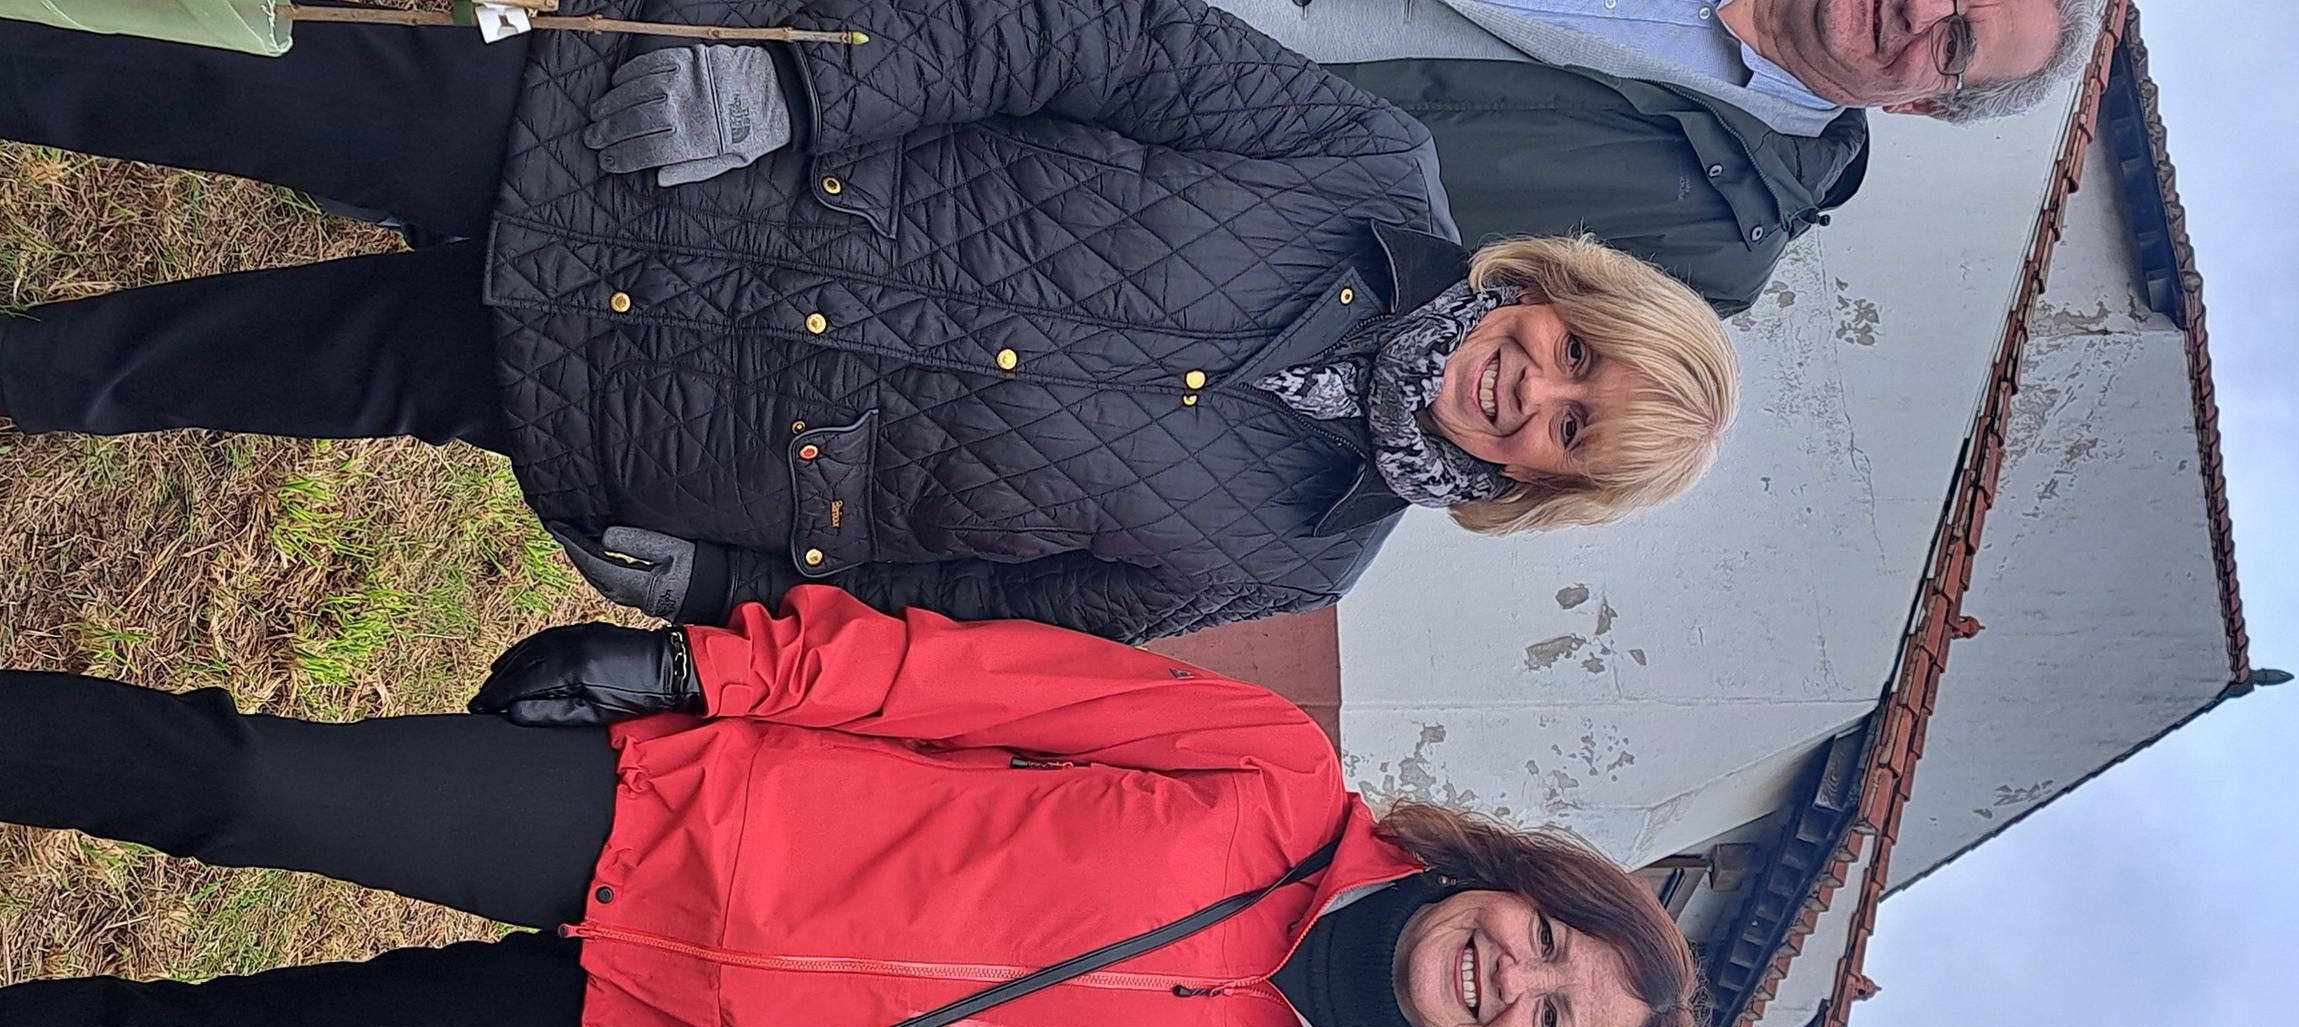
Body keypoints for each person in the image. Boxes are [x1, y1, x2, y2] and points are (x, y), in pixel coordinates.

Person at [0, 590, 1701, 1027]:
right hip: (666, 816)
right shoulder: (1271, 771)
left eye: (1546, 1024)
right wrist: (702, 670)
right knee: (240, 780)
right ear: (1520, 881)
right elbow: (964, 683)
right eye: (1550, 945)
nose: (1514, 980)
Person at [0, 3, 1737, 643]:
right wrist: (778, 88)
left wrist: (723, 588)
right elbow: (1079, 41)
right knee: (186, 78)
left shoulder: (1292, 560)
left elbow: (963, 613)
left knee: (168, 374)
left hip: (626, 403)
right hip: (648, 143)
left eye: (1574, 429)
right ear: (1572, 292)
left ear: (1544, 484)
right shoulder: (1364, 161)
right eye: (1584, 351)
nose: (1541, 387)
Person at [1209, 0, 2109, 315]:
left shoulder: (1715, 247)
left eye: (1955, 44)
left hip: (1187, 115)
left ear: (1920, 103)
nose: (1922, 10)